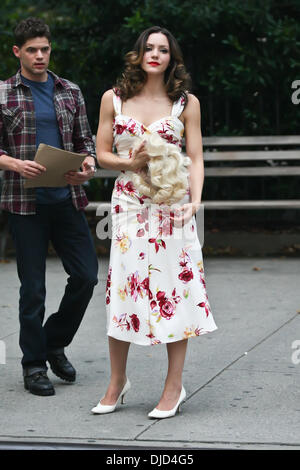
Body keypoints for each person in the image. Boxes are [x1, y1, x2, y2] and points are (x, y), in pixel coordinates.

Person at [93, 26, 217, 418]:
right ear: (138, 54)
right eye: (148, 48)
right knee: (124, 288)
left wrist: (195, 202)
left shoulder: (186, 103)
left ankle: (174, 386)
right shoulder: (113, 98)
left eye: (163, 50)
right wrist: (129, 163)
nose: (155, 54)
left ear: (171, 59)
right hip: (129, 203)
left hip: (172, 205)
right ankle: (117, 381)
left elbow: (195, 157)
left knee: (174, 290)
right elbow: (100, 153)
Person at [0, 17, 98, 396]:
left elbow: (85, 143)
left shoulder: (69, 90)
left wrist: (86, 167)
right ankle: (34, 366)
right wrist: (13, 163)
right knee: (33, 289)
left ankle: (52, 340)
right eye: (32, 50)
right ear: (17, 52)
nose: (40, 56)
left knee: (87, 277)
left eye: (45, 49)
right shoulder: (5, 93)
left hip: (67, 199)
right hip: (25, 205)